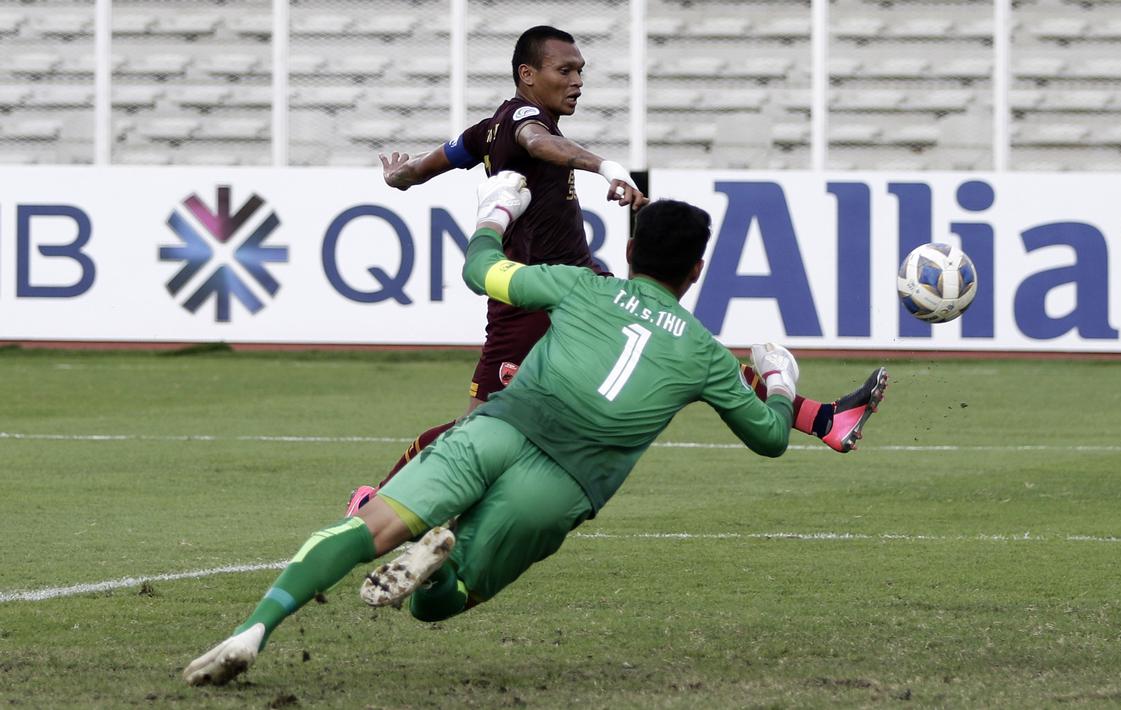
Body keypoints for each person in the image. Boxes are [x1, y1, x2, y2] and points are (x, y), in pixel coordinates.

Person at [183, 172, 888, 687]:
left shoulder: (581, 284)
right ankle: (437, 568)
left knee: (369, 529)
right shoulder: (704, 353)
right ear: (696, 270)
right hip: (561, 487)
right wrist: (779, 381)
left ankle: (253, 630)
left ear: (630, 253)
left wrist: (495, 210)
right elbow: (768, 438)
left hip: (501, 428)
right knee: (438, 607)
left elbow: (479, 271)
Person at [348, 25, 865, 516]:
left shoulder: (487, 130)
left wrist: (401, 175)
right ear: (528, 75)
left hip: (582, 288)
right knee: (478, 425)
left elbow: (428, 164)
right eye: (565, 71)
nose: (577, 81)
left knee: (681, 345)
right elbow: (537, 142)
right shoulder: (526, 122)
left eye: (581, 71)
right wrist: (605, 166)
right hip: (530, 299)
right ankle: (380, 504)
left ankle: (822, 418)